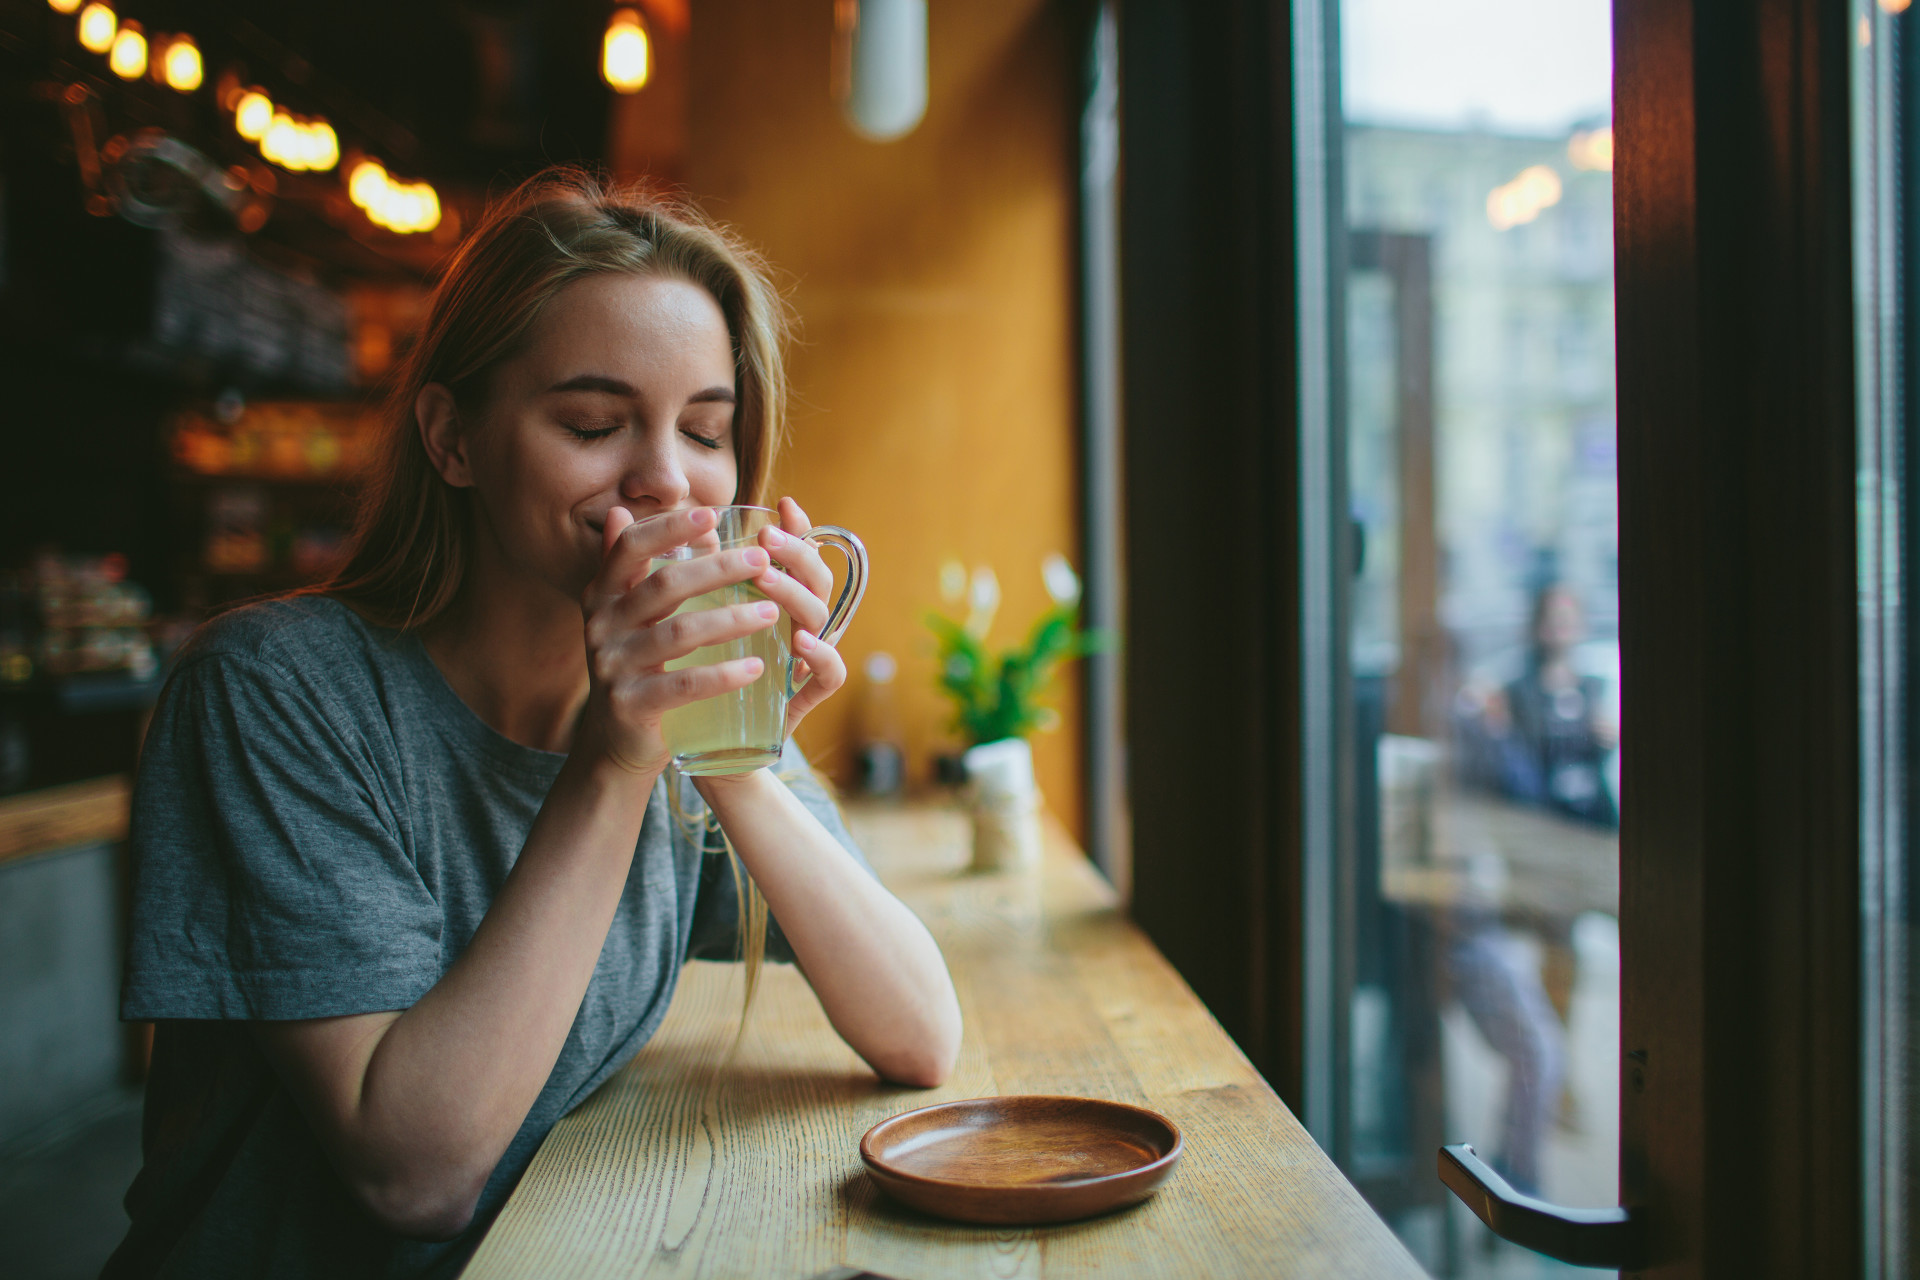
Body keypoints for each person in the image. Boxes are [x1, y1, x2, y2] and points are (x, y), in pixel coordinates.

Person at [104, 169, 963, 1279]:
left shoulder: (671, 697)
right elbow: (412, 1174)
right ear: (453, 441)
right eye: (596, 422)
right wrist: (614, 758)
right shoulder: (272, 691)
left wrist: (732, 752)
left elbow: (918, 1030)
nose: (667, 481)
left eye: (707, 431)